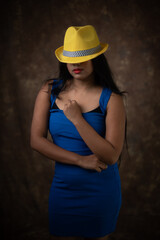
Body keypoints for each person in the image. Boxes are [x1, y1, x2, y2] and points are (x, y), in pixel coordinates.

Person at [30, 25, 127, 240]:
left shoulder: (112, 99)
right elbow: (36, 141)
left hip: (100, 192)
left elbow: (111, 156)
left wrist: (77, 119)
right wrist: (79, 160)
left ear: (96, 59)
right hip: (63, 189)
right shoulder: (50, 90)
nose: (76, 63)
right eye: (71, 57)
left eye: (84, 56)